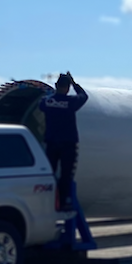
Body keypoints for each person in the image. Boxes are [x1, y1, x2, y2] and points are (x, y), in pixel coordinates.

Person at [39, 72, 88, 210]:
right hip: (68, 143)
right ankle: (64, 201)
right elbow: (84, 96)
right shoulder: (71, 102)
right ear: (67, 87)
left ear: (56, 85)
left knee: (50, 172)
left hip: (51, 142)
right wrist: (75, 84)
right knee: (66, 174)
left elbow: (40, 104)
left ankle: (47, 201)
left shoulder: (48, 101)